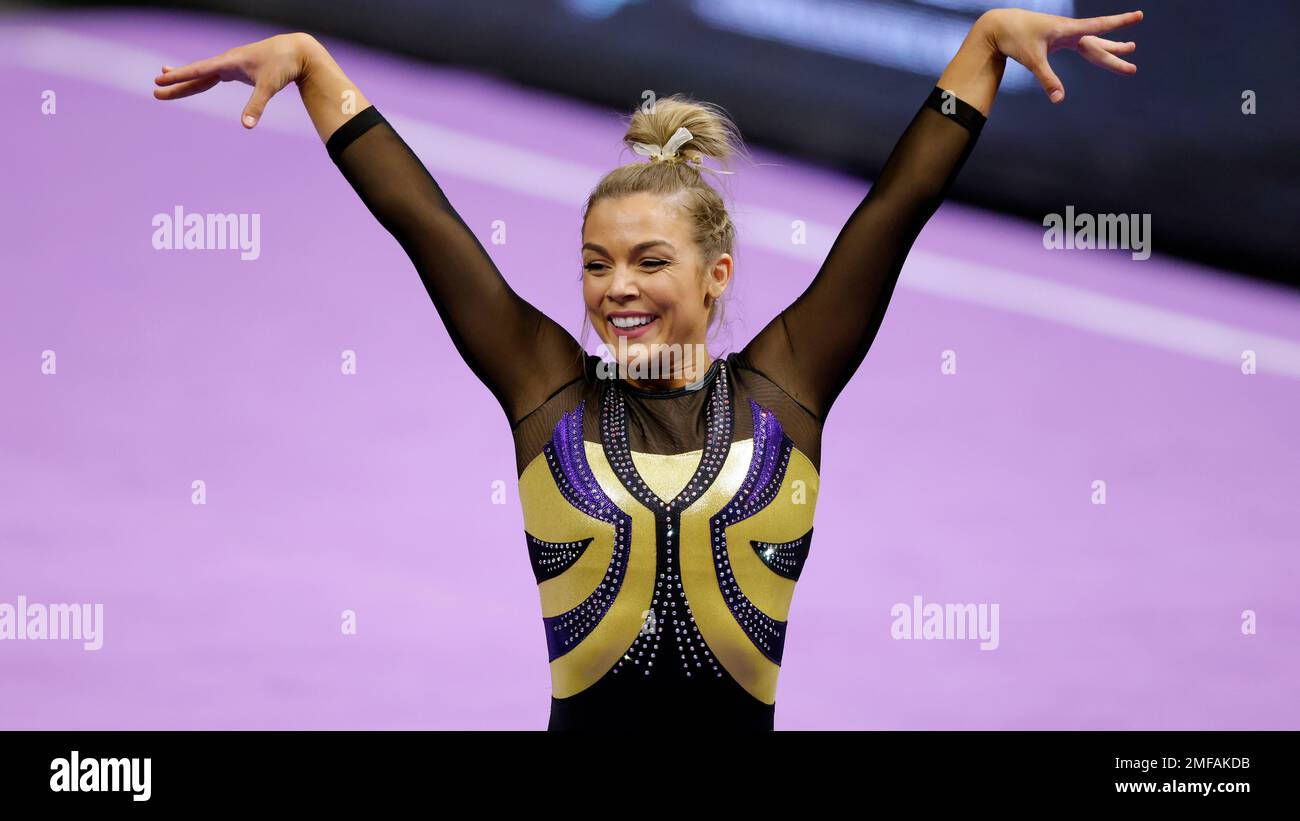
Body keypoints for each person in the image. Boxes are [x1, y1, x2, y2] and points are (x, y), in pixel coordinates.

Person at [154, 8, 1142, 730]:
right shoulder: (544, 386)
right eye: (594, 262)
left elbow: (895, 207)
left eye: (647, 261)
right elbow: (425, 222)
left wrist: (981, 51)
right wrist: (314, 67)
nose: (615, 288)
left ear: (717, 276)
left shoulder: (784, 387)